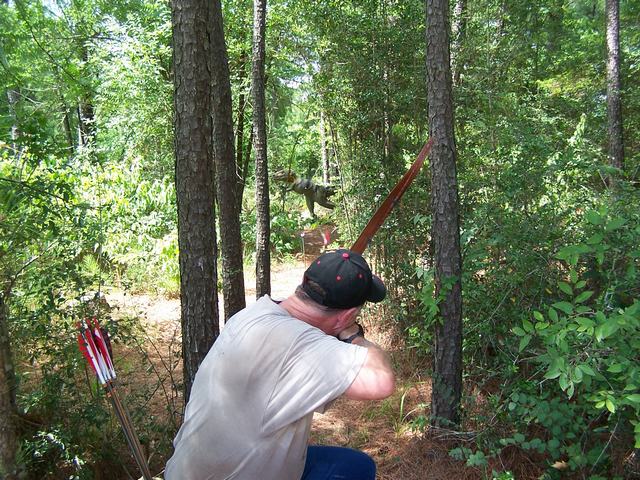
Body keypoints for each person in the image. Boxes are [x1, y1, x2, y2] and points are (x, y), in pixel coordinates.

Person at [165, 248, 396, 480]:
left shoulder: (256, 313)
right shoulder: (301, 343)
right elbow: (381, 381)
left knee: (354, 466)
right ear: (347, 316)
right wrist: (353, 335)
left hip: (189, 470)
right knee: (358, 470)